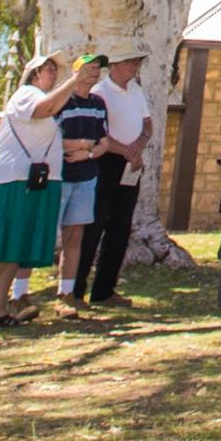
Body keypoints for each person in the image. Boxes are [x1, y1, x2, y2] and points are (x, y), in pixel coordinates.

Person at [0, 51, 86, 331]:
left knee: (15, 246)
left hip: (31, 182)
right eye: (48, 68)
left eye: (54, 70)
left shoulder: (47, 102)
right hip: (6, 181)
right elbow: (45, 109)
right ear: (34, 73)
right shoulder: (25, 94)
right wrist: (76, 80)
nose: (52, 73)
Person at [77, 51, 152, 308]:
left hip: (131, 163)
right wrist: (126, 151)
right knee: (93, 225)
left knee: (120, 227)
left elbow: (147, 123)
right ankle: (75, 289)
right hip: (105, 161)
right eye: (131, 62)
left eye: (137, 63)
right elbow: (101, 134)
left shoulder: (136, 90)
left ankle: (104, 289)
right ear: (116, 65)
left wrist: (138, 146)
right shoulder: (100, 92)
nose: (135, 67)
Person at [52, 54, 111, 309]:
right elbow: (50, 137)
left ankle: (67, 293)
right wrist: (82, 145)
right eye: (89, 68)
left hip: (87, 177)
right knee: (44, 233)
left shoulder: (99, 104)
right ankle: (18, 293)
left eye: (98, 68)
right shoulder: (61, 102)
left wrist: (87, 152)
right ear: (75, 71)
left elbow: (104, 142)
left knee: (74, 235)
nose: (95, 72)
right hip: (58, 176)